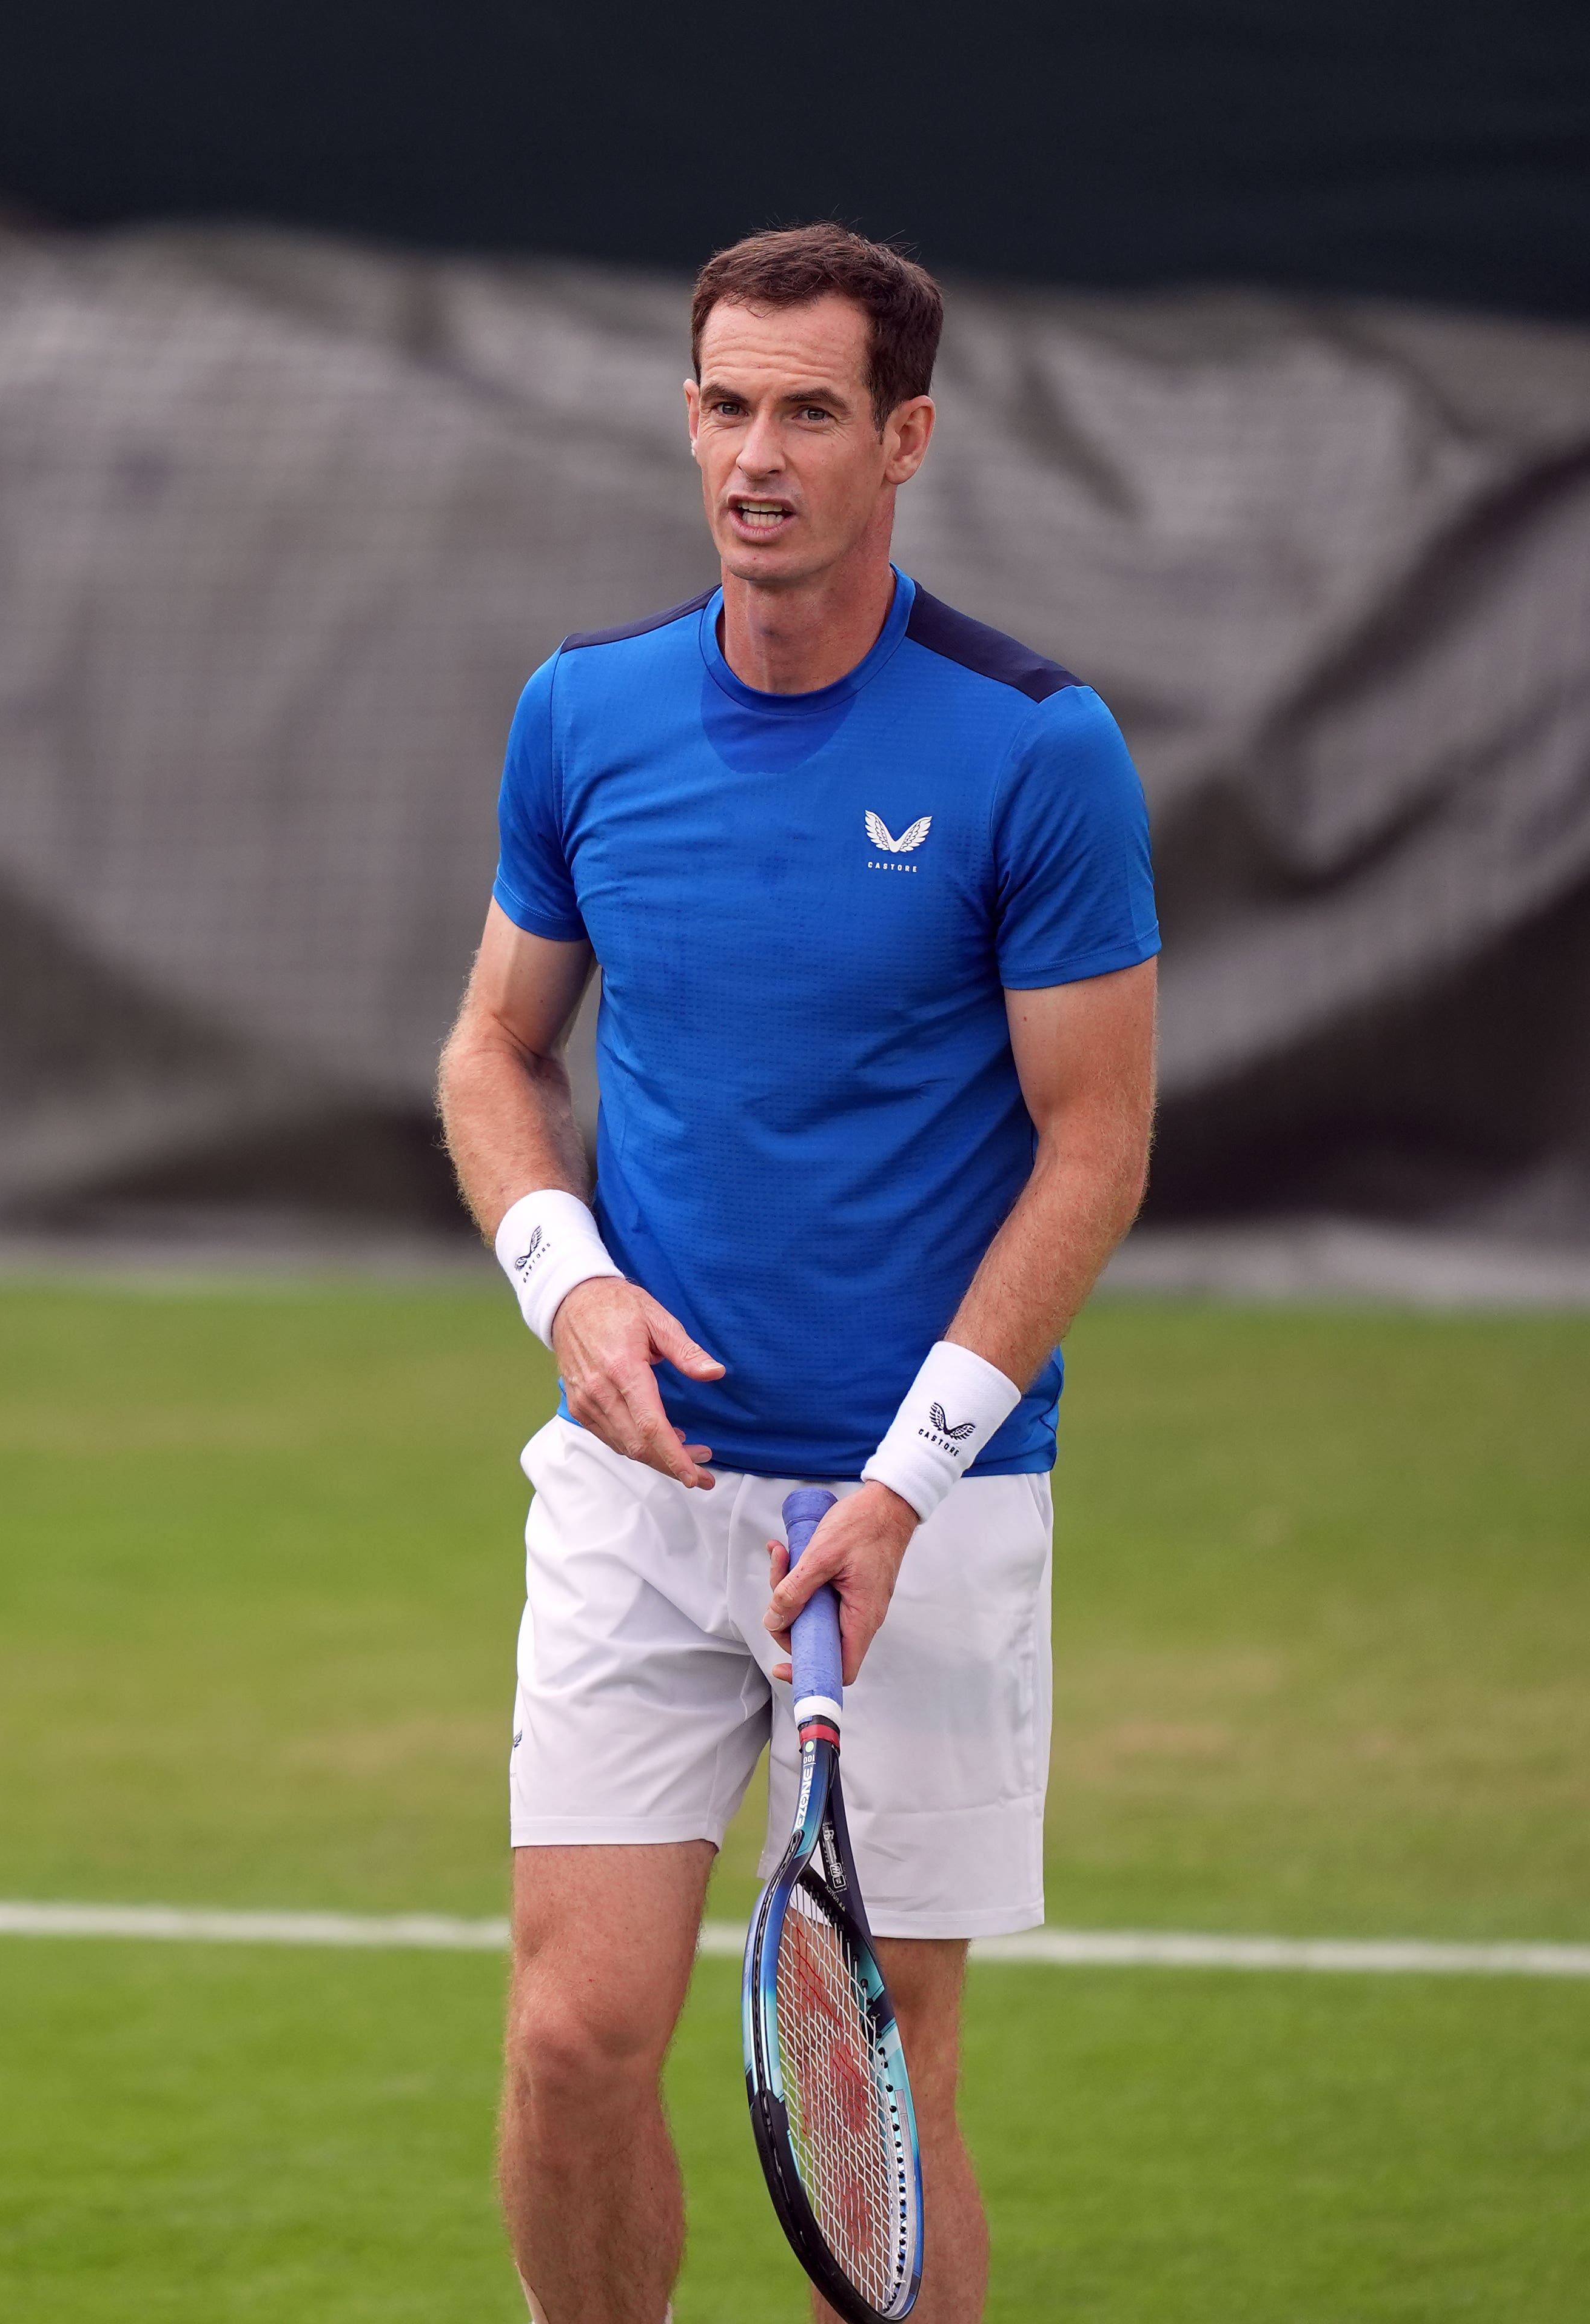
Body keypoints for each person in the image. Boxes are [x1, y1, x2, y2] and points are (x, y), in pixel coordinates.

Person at [436, 223, 1158, 2324]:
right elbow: (491, 1047)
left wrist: (906, 1479)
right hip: (639, 1494)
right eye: (725, 407)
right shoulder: (582, 716)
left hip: (924, 1509)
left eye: (809, 412)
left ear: (902, 437)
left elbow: (1093, 1145)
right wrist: (564, 1287)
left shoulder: (1034, 749)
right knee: (572, 2042)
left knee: (880, 2062)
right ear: (687, 420)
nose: (757, 455)